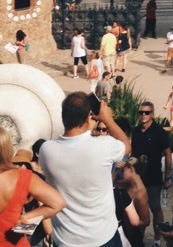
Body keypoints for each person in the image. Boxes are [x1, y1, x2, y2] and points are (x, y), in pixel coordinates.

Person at [39, 92, 130, 247]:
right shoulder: (104, 146)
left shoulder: (46, 150)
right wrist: (107, 119)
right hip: (103, 236)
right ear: (89, 117)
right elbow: (126, 146)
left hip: (65, 239)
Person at [131, 100, 172, 247]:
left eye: (146, 112)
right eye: (141, 112)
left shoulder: (159, 131)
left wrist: (167, 177)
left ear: (152, 114)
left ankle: (156, 239)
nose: (143, 115)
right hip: (137, 179)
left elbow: (168, 153)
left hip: (154, 178)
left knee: (155, 207)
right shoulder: (135, 131)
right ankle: (138, 239)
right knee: (138, 209)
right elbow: (132, 152)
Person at [113, 155, 151, 247]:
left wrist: (131, 220)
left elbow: (146, 221)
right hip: (125, 232)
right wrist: (116, 170)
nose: (122, 174)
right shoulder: (127, 185)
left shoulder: (140, 194)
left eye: (123, 170)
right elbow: (110, 184)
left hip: (133, 236)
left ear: (131, 169)